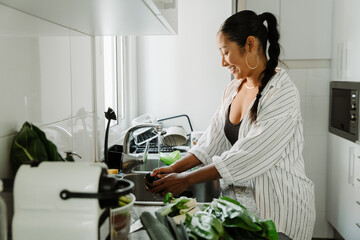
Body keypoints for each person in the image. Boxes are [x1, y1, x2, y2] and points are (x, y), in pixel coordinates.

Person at [146, 10, 316, 240]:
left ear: (250, 44)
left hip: (281, 208)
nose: (223, 62)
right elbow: (211, 141)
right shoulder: (234, 89)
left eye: (226, 52)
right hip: (245, 205)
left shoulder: (282, 93)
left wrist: (185, 180)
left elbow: (251, 155)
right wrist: (175, 169)